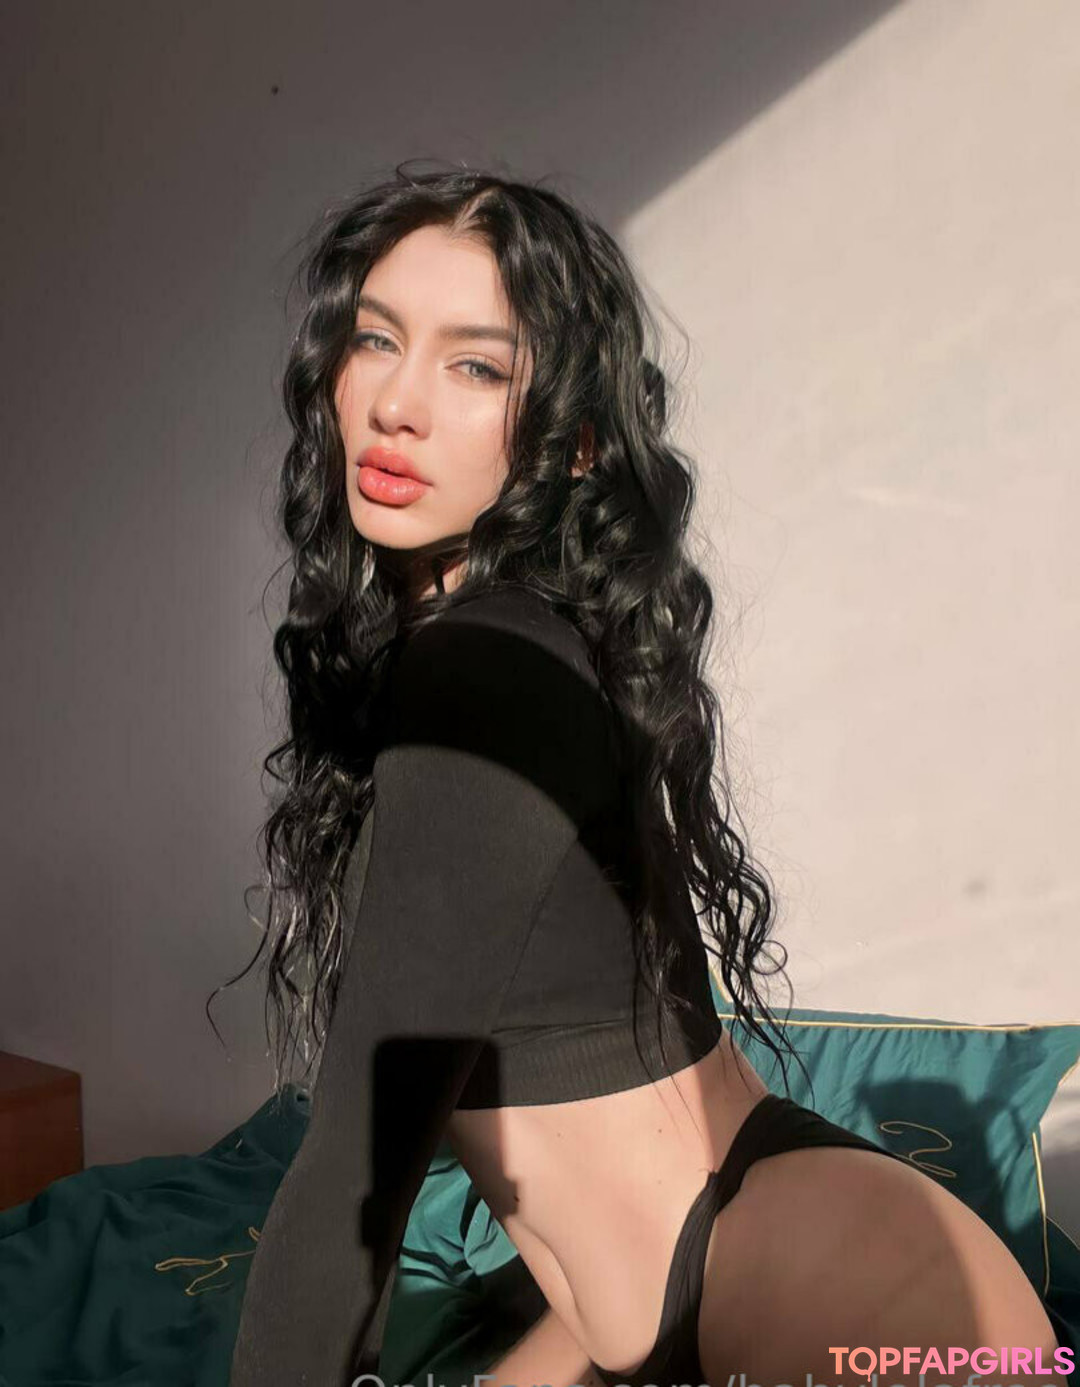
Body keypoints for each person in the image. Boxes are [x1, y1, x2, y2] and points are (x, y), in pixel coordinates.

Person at [226, 164, 1063, 1387]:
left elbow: (359, 1164)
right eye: (376, 339)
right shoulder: (529, 647)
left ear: (573, 442)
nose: (397, 403)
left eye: (475, 367)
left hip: (848, 1296)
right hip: (735, 1285)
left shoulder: (485, 670)